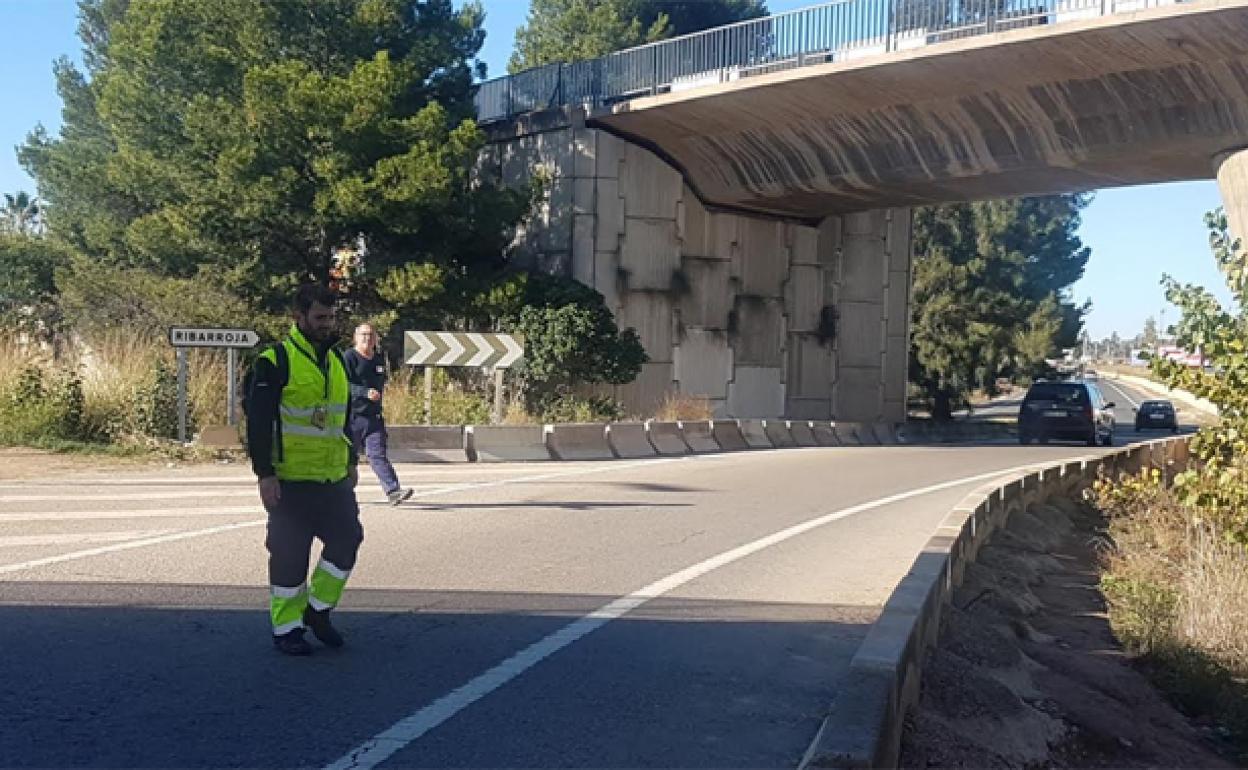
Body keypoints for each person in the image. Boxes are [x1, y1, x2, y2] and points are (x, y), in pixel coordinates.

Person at [246, 284, 363, 656]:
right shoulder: (274, 361)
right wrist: (264, 474)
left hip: (332, 481)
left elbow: (343, 419)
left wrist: (351, 463)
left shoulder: (338, 361)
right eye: (319, 318)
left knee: (347, 542)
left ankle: (318, 610)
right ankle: (287, 629)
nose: (327, 325)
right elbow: (258, 423)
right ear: (298, 317)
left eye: (331, 317)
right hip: (290, 481)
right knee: (289, 557)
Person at [343, 322, 413, 506]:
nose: (367, 338)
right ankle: (341, 495)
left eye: (371, 335)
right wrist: (364, 393)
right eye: (363, 335)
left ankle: (393, 491)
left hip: (373, 418)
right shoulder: (348, 357)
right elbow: (342, 384)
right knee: (348, 460)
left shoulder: (378, 360)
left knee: (377, 455)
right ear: (355, 337)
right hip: (351, 418)